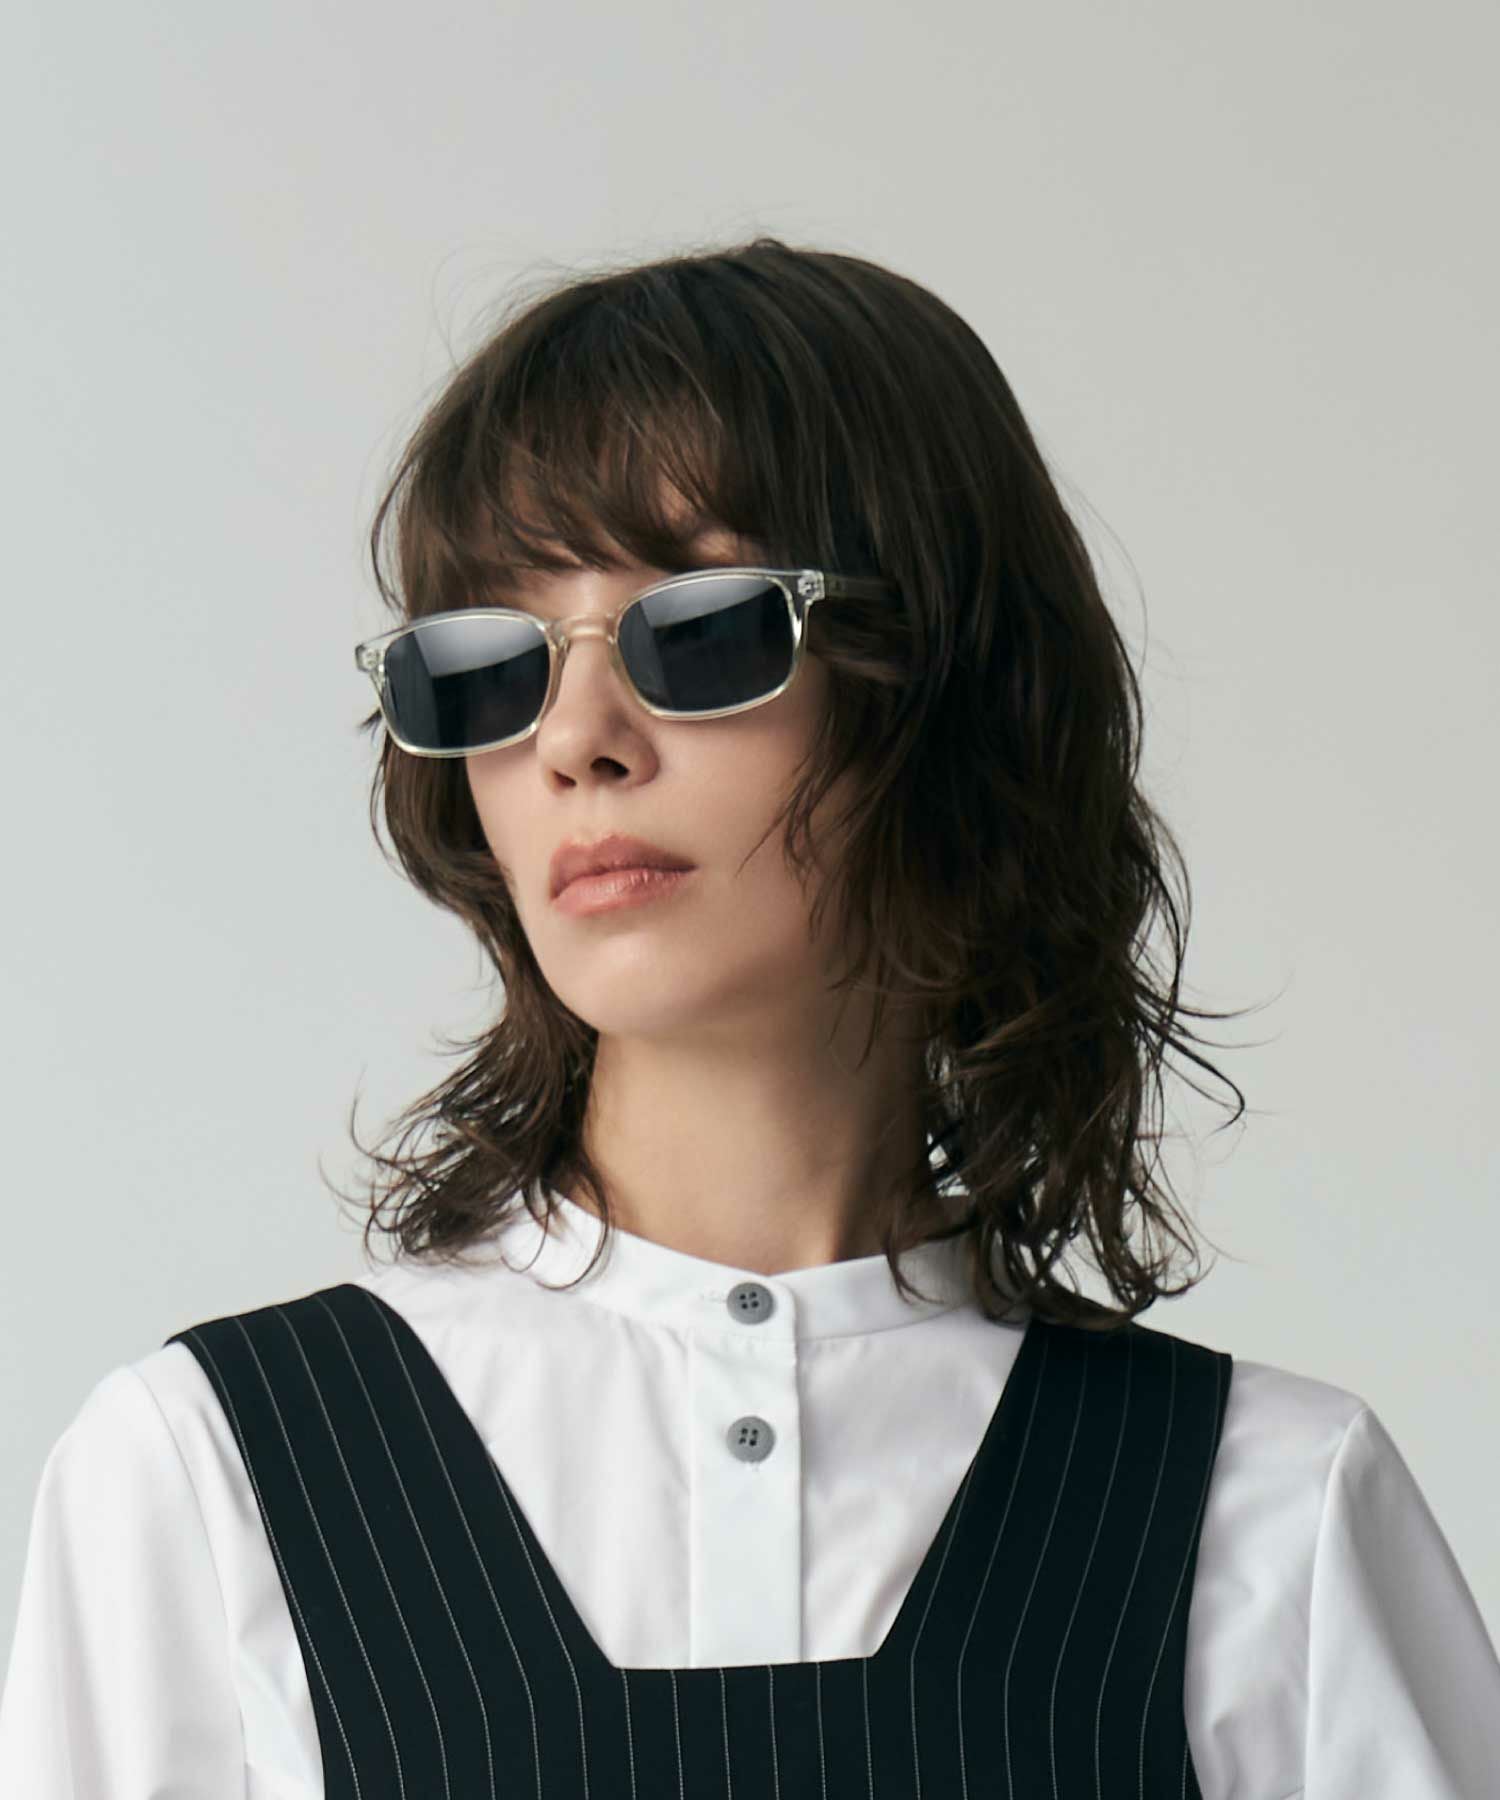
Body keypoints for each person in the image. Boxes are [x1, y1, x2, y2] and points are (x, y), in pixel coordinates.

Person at [3, 237, 1498, 1796]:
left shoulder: (1267, 1516)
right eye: (491, 667)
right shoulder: (213, 1481)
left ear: (946, 689)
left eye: (702, 632)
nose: (578, 738)